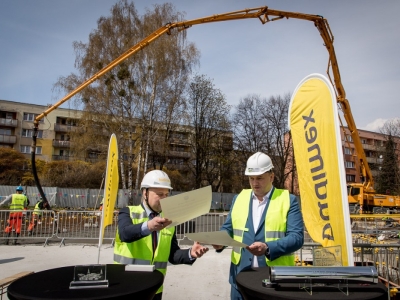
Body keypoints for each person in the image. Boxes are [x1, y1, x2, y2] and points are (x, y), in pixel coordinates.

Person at [213, 152, 304, 299]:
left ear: (272, 177)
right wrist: (220, 241)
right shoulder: (239, 198)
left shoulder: (288, 200)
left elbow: (297, 238)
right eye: (251, 178)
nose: (255, 183)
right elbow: (228, 228)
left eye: (260, 178)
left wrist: (268, 248)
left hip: (274, 281)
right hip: (240, 278)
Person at [114, 170, 209, 299]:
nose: (164, 199)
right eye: (159, 194)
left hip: (154, 290)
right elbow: (125, 234)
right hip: (127, 287)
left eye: (166, 194)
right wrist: (149, 226)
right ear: (145, 193)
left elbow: (172, 254)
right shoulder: (127, 212)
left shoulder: (168, 220)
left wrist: (190, 253)